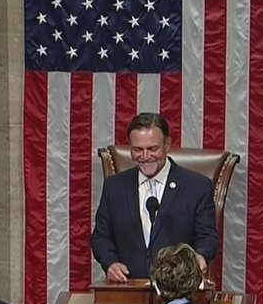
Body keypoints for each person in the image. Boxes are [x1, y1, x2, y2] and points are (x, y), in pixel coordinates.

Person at [91, 112, 219, 282]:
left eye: (152, 149)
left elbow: (208, 236)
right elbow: (101, 237)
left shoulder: (196, 186)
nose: (145, 157)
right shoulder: (114, 187)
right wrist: (110, 263)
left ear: (167, 145)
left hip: (178, 288)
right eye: (137, 150)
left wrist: (201, 256)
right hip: (128, 287)